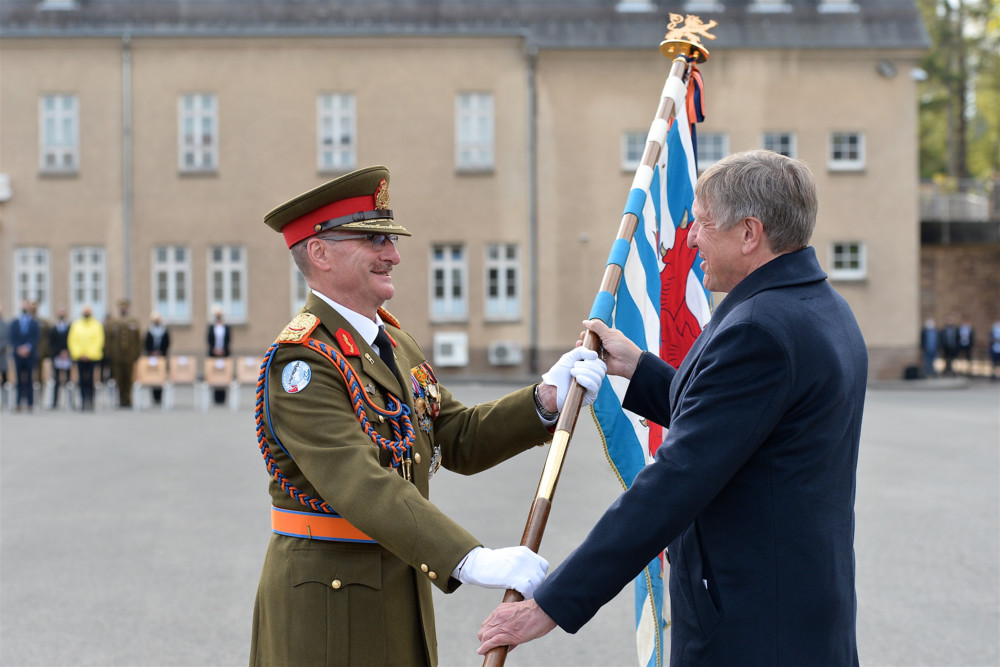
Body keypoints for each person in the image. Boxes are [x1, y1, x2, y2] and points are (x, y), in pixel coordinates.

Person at [478, 149, 868, 666]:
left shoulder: (759, 329)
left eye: (703, 224)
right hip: (795, 612)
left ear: (749, 233)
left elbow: (677, 479)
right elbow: (741, 426)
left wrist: (552, 603)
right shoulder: (818, 306)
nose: (690, 238)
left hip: (754, 630)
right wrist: (638, 368)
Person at [250, 165, 606, 667]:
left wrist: (545, 399)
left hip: (397, 580)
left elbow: (455, 435)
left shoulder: (393, 342)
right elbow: (358, 480)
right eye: (374, 240)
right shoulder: (302, 362)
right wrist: (469, 557)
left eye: (390, 242)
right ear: (320, 252)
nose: (393, 255)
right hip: (330, 604)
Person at [68, 306, 105, 412]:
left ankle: (91, 400)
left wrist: (89, 354)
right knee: (81, 380)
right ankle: (83, 400)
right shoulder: (76, 325)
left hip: (92, 357)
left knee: (91, 380)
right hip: (79, 357)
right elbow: (72, 340)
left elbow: (98, 340)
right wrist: (80, 354)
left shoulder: (96, 325)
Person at [106, 299, 142, 408]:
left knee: (129, 378)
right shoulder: (113, 323)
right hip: (117, 356)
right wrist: (109, 354)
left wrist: (137, 353)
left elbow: (138, 340)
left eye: (125, 307)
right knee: (119, 378)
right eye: (121, 307)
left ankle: (128, 399)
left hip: (130, 355)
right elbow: (108, 340)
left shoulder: (133, 322)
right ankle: (121, 399)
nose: (123, 309)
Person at [9, 299, 41, 413]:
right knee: (18, 380)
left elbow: (36, 338)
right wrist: (19, 348)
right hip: (18, 355)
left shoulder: (34, 323)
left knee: (29, 379)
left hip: (30, 355)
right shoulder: (14, 323)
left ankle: (30, 403)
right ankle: (18, 403)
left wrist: (27, 348)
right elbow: (12, 338)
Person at [144, 311, 171, 405]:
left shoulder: (164, 330)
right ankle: (154, 397)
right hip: (151, 357)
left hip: (161, 356)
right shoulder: (149, 331)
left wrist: (161, 352)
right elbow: (146, 343)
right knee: (153, 376)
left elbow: (167, 343)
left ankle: (160, 397)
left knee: (161, 376)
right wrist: (151, 352)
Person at [48, 307, 72, 409]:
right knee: (56, 379)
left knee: (68, 380)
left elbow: (72, 340)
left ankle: (69, 402)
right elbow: (51, 342)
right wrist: (59, 352)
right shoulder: (53, 328)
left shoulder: (70, 327)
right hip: (57, 356)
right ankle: (55, 402)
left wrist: (67, 352)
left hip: (67, 355)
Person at [206, 308, 231, 405]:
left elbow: (228, 339)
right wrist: (214, 350)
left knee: (223, 375)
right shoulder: (212, 327)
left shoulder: (226, 327)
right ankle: (216, 397)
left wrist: (223, 350)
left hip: (224, 354)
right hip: (214, 354)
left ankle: (222, 398)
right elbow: (209, 339)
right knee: (215, 374)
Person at [0, 306, 9, 409]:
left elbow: (8, 339)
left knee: (5, 380)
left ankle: (5, 402)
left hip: (2, 355)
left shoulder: (6, 325)